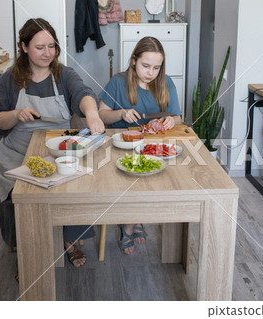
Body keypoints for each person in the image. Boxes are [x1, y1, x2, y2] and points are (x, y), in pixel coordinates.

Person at [0, 18, 105, 269]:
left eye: (52, 46)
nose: (47, 53)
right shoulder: (10, 79)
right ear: (24, 47)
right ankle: (27, 252)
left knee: (76, 189)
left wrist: (92, 113)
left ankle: (69, 240)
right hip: (18, 156)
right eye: (40, 47)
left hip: (58, 152)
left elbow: (83, 94)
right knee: (24, 202)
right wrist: (16, 115)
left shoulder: (64, 75)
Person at [98, 36, 182, 254]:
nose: (151, 73)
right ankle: (129, 223)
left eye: (156, 67)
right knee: (133, 176)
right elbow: (101, 115)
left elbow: (178, 118)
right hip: (121, 145)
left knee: (165, 178)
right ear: (134, 60)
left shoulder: (166, 83)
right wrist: (121, 113)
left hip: (153, 146)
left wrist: (172, 120)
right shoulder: (118, 81)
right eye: (146, 66)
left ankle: (132, 220)